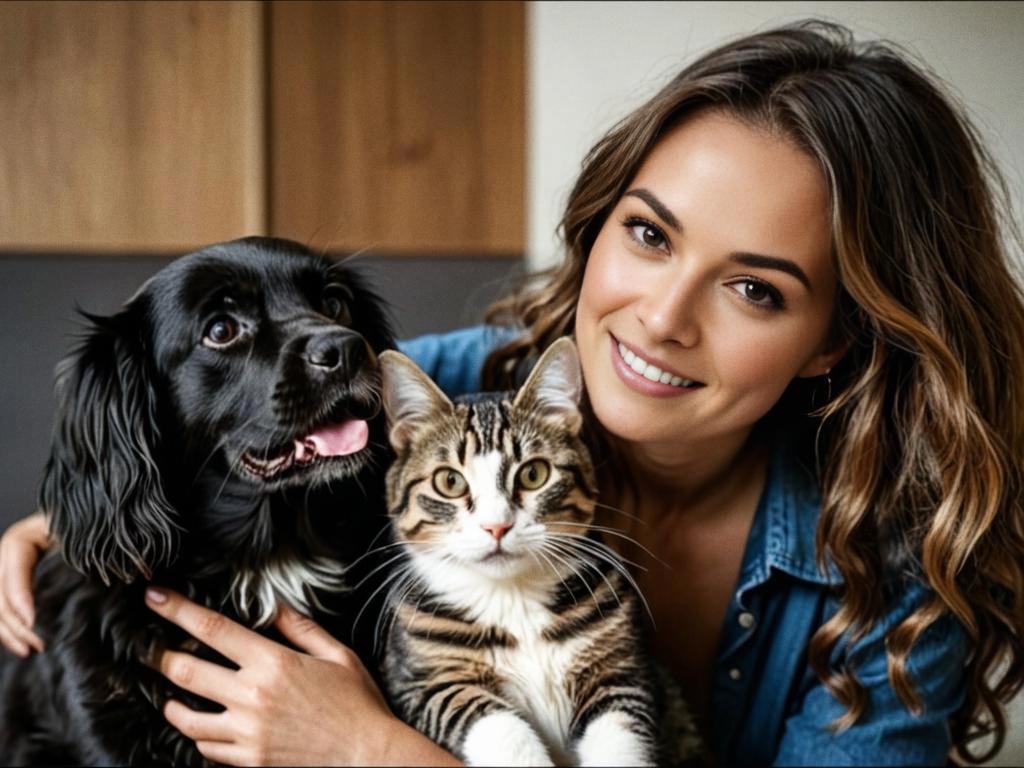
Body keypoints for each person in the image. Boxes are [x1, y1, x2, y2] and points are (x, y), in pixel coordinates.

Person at [2, 19, 1023, 766]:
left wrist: (373, 755)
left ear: (833, 338)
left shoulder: (901, 582)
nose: (661, 318)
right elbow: (231, 431)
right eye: (649, 234)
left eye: (754, 289)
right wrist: (67, 519)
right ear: (599, 222)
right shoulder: (456, 391)